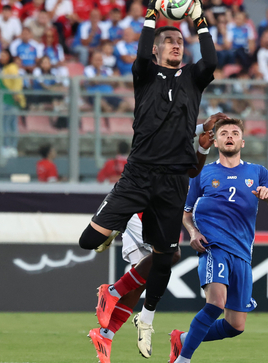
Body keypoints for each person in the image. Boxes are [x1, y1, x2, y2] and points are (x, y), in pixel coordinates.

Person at [77, 0, 217, 359]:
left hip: (172, 182)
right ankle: (114, 237)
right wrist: (153, 13)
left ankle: (147, 317)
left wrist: (200, 20)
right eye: (169, 42)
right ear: (157, 49)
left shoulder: (193, 78)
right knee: (88, 242)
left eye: (180, 42)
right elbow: (141, 50)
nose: (176, 45)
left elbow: (212, 61)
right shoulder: (144, 74)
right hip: (138, 174)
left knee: (165, 257)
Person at [88, 126, 219, 363]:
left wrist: (201, 147)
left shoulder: (189, 164)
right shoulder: (160, 135)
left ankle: (105, 334)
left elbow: (192, 171)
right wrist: (199, 132)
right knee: (171, 255)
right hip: (141, 212)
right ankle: (113, 291)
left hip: (152, 213)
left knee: (142, 281)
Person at [168, 118, 268, 363]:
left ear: (242, 141)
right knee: (215, 305)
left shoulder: (258, 173)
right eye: (224, 133)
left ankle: (182, 340)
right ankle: (183, 359)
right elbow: (186, 212)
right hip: (213, 247)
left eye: (234, 132)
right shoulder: (202, 174)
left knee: (235, 326)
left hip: (242, 253)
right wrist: (192, 233)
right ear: (216, 140)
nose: (229, 136)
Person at [0, 48, 25, 159]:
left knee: (9, 124)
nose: (2, 57)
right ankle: (9, 146)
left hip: (11, 99)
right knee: (8, 124)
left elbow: (17, 81)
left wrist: (16, 94)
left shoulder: (12, 67)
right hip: (5, 99)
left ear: (9, 57)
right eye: (1, 55)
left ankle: (9, 146)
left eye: (4, 55)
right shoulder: (4, 69)